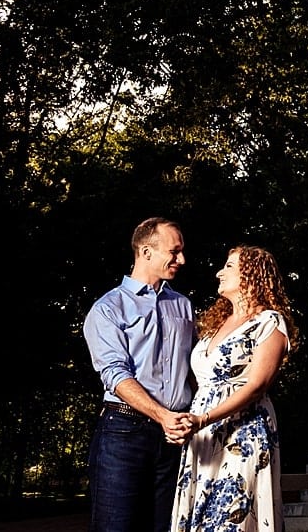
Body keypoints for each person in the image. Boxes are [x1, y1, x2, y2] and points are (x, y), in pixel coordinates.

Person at [171, 245, 297, 532]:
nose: (219, 272)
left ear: (251, 275)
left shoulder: (269, 322)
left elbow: (257, 385)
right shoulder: (215, 325)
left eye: (228, 266)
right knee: (201, 518)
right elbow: (200, 379)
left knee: (230, 518)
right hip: (202, 433)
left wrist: (205, 418)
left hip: (243, 431)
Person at [84, 218, 197, 532]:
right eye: (174, 252)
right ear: (146, 252)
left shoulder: (184, 306)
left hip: (175, 437)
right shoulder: (108, 308)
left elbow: (195, 370)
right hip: (124, 434)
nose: (182, 260)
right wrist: (162, 415)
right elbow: (115, 374)